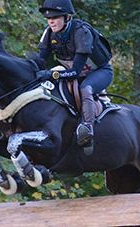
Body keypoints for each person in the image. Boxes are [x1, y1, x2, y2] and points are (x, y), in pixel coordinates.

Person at [36, 0, 113, 148]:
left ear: (67, 17)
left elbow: (74, 72)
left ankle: (87, 129)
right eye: (49, 18)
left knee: (85, 89)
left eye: (56, 17)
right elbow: (40, 61)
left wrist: (52, 75)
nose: (51, 21)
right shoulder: (49, 33)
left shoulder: (81, 32)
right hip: (73, 73)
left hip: (100, 72)